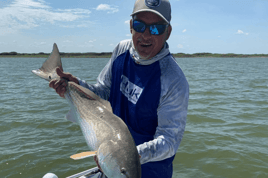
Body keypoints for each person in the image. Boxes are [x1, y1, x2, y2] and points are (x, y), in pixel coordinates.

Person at [49, 0, 189, 177]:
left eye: (156, 28)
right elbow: (103, 92)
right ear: (131, 26)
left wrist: (125, 155)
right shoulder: (122, 50)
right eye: (139, 25)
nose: (146, 35)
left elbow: (169, 141)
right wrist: (76, 83)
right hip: (112, 162)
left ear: (168, 32)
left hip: (146, 171)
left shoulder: (174, 80)